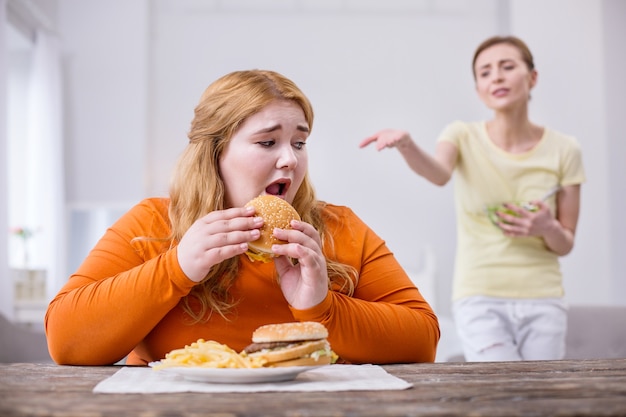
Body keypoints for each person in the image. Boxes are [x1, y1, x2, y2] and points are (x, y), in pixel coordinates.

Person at [45, 69, 440, 366]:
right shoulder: (153, 223)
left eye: (299, 142)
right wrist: (176, 267)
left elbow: (423, 341)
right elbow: (65, 341)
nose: (290, 159)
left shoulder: (339, 228)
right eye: (267, 142)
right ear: (215, 153)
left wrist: (322, 307)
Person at [360, 36, 585, 362]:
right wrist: (406, 145)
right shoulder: (461, 135)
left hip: (544, 297)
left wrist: (546, 226)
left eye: (507, 67)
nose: (496, 77)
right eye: (485, 72)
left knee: (543, 397)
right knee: (498, 394)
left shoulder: (566, 149)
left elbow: (565, 243)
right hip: (479, 296)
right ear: (479, 88)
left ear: (532, 77)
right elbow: (438, 173)